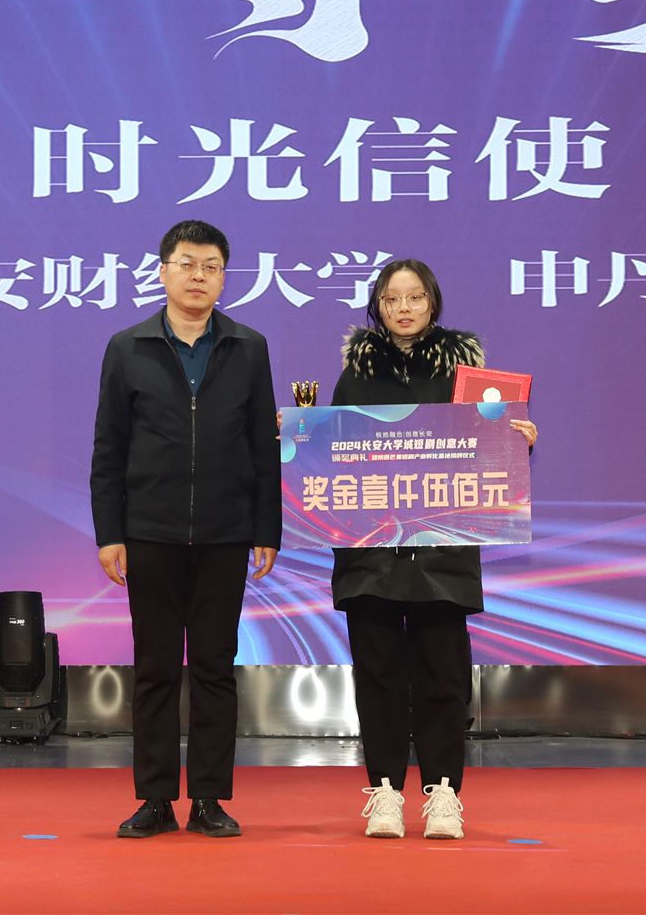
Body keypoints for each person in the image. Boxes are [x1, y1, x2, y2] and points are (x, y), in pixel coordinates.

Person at [328, 259, 537, 841]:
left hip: (443, 549)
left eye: (415, 297)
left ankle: (444, 792)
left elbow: (487, 453)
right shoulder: (356, 375)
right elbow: (335, 455)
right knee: (378, 676)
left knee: (443, 676)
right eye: (392, 298)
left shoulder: (467, 375)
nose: (404, 308)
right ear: (377, 306)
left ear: (433, 302)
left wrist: (515, 442)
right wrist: (299, 440)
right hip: (372, 551)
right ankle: (385, 792)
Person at [91, 219, 281, 839]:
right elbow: (109, 449)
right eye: (187, 264)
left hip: (226, 534)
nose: (199, 276)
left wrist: (266, 528)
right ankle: (154, 799)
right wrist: (109, 532)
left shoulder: (248, 347)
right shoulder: (128, 348)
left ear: (224, 278)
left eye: (211, 267)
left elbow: (262, 446)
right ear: (164, 271)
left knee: (214, 668)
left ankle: (208, 798)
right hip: (150, 532)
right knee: (154, 668)